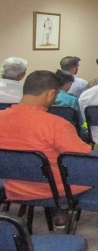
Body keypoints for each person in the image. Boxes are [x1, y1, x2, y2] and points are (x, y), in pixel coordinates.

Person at [0, 70, 91, 228]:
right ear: (51, 93)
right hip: (56, 189)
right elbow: (82, 156)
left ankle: (57, 211)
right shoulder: (56, 124)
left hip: (14, 188)